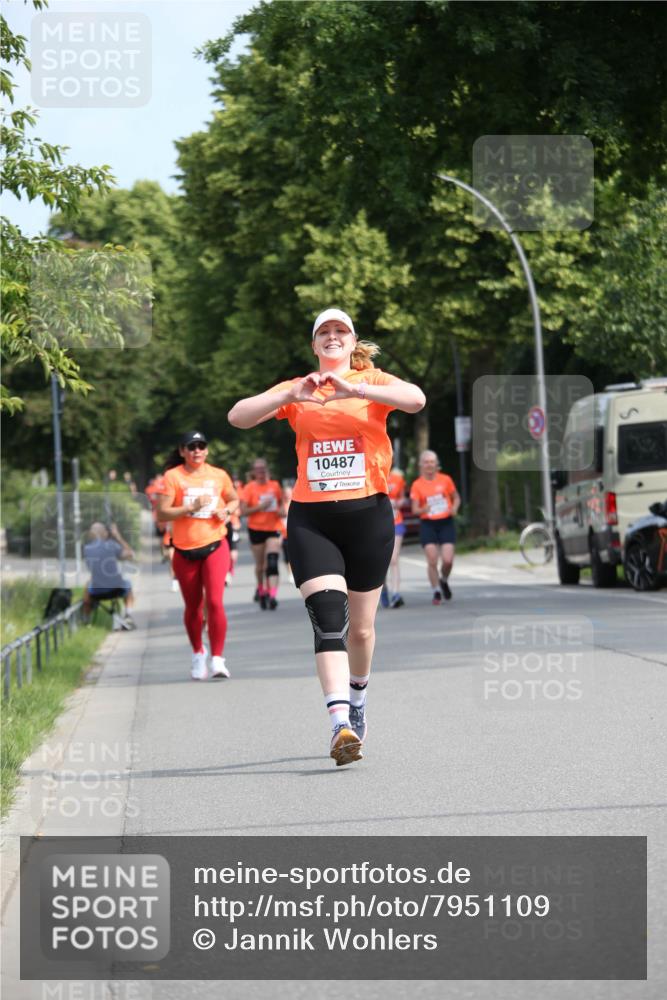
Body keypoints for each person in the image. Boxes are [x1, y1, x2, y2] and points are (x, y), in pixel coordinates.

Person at [228, 307, 425, 765]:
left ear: (352, 342)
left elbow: (415, 399)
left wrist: (355, 388)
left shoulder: (372, 382)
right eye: (324, 333)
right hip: (312, 519)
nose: (332, 337)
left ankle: (357, 702)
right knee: (328, 617)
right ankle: (338, 724)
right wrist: (289, 396)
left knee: (362, 628)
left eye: (340, 331)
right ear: (314, 344)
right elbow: (238, 416)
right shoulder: (298, 388)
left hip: (368, 516)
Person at [156, 431, 239, 680]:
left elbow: (234, 500)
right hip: (184, 549)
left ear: (207, 450)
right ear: (182, 451)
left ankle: (217, 659)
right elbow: (162, 513)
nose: (197, 451)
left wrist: (227, 510)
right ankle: (197, 653)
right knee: (193, 608)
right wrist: (190, 507)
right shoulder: (173, 477)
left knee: (214, 602)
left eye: (201, 446)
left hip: (215, 543)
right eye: (191, 447)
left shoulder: (218, 475)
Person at [410, 449, 460, 605]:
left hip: (445, 522)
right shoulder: (417, 485)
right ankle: (436, 591)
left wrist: (455, 508)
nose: (429, 465)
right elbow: (414, 509)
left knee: (448, 560)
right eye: (426, 462)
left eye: (432, 462)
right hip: (428, 524)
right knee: (432, 560)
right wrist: (424, 509)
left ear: (436, 464)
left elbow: (456, 497)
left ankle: (443, 580)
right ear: (421, 465)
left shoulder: (445, 480)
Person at [240, 459, 284, 610]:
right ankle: (261, 588)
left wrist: (282, 511)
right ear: (253, 472)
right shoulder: (249, 488)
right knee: (260, 566)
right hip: (256, 529)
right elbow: (243, 511)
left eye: (263, 468)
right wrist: (260, 507)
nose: (261, 472)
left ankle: (272, 595)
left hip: (273, 528)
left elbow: (282, 506)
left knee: (272, 562)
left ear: (267, 469)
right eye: (258, 469)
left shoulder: (275, 486)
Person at [83, 522, 136, 629]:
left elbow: (91, 569)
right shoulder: (112, 545)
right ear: (104, 533)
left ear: (91, 534)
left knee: (87, 586)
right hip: (117, 589)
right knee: (128, 584)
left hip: (97, 592)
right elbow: (130, 554)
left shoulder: (86, 549)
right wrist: (118, 537)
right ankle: (128, 615)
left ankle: (86, 620)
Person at [382, 467, 407, 608]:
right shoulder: (371, 474)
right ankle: (383, 589)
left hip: (396, 521)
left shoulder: (398, 479)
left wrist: (400, 502)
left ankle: (396, 593)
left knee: (394, 558)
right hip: (378, 524)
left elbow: (402, 496)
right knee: (382, 561)